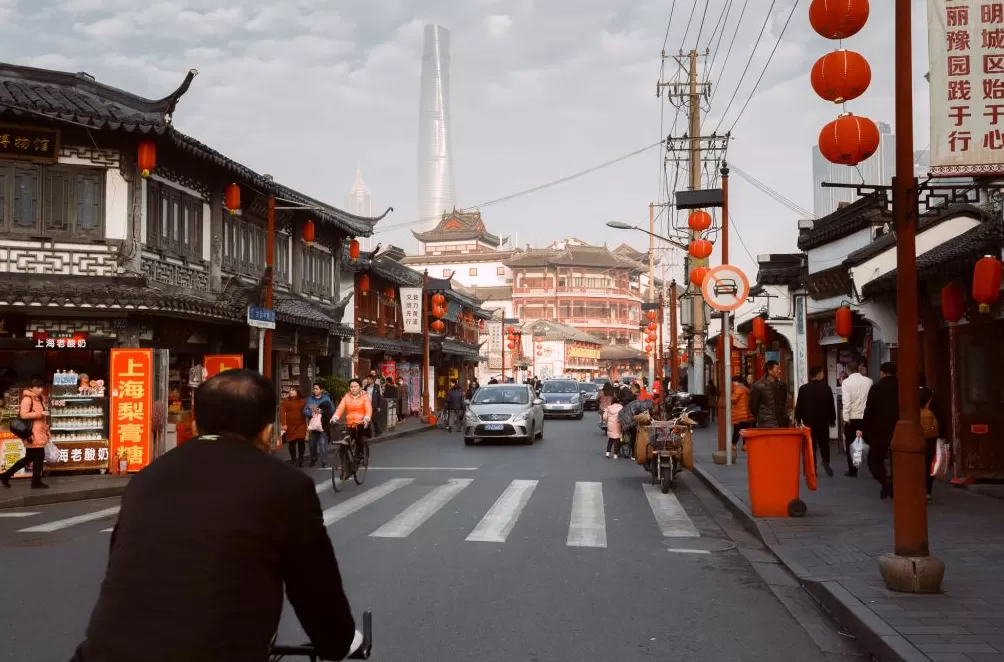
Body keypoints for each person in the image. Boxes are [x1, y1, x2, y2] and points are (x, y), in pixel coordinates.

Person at [70, 369, 357, 662]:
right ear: (266, 431)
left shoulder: (147, 478)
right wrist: (337, 643)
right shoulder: (285, 485)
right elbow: (316, 590)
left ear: (194, 426)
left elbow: (121, 560)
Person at [0, 377, 50, 489]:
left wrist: (47, 430)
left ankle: (6, 475)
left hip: (39, 432)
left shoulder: (40, 399)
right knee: (38, 457)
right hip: (32, 433)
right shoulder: (28, 399)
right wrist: (40, 413)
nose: (40, 389)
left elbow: (43, 419)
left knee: (29, 458)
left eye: (41, 387)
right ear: (31, 388)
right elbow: (23, 415)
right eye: (37, 387)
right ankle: (36, 482)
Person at [863, 362, 899, 500]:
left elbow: (869, 410)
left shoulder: (877, 387)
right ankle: (894, 483)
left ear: (883, 372)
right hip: (898, 427)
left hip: (879, 430)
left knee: (874, 460)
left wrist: (865, 429)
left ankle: (885, 481)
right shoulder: (902, 387)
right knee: (896, 460)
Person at [794, 366, 837, 477]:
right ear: (818, 374)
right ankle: (825, 460)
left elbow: (799, 406)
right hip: (823, 421)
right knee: (824, 443)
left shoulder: (803, 389)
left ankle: (813, 467)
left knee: (811, 445)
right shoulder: (826, 388)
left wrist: (798, 419)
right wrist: (832, 419)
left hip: (809, 421)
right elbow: (831, 406)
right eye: (822, 372)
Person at [840, 359, 872, 478]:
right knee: (868, 441)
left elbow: (846, 402)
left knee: (851, 443)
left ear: (848, 370)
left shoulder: (846, 383)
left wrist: (846, 418)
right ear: (858, 368)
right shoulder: (869, 381)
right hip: (866, 417)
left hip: (853, 418)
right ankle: (871, 465)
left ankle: (853, 468)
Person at [919, 373, 948, 502]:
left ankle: (916, 488)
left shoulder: (907, 395)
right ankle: (928, 491)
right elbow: (941, 417)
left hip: (915, 433)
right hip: (931, 435)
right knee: (929, 463)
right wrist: (942, 435)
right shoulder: (933, 395)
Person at [331, 378, 373, 462]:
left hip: (361, 423)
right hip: (350, 423)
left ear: (360, 387)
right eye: (351, 386)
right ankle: (345, 464)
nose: (353, 388)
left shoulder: (365, 397)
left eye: (355, 386)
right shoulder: (346, 397)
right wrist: (334, 417)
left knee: (359, 438)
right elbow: (340, 408)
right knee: (344, 441)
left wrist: (366, 419)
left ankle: (360, 454)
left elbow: (369, 409)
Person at [303, 383, 335, 468]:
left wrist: (322, 411)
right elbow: (305, 411)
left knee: (323, 444)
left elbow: (331, 410)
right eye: (314, 389)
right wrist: (312, 413)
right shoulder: (310, 399)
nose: (315, 390)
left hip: (323, 425)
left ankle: (324, 461)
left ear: (321, 390)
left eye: (317, 389)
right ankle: (313, 459)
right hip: (313, 425)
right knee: (312, 444)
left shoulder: (326, 399)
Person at [749, 360, 788, 428]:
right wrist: (762, 417)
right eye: (777, 369)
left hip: (780, 423)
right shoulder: (758, 386)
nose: (779, 371)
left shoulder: (782, 386)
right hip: (765, 424)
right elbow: (753, 407)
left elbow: (783, 403)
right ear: (769, 371)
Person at [280, 386, 307, 467]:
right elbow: (282, 413)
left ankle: (301, 459)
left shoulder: (303, 401)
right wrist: (283, 423)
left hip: (301, 425)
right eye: (290, 390)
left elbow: (310, 409)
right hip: (290, 426)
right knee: (291, 444)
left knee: (301, 442)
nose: (291, 392)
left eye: (293, 390)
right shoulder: (285, 401)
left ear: (298, 392)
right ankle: (293, 460)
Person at [730, 375, 755, 454]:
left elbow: (733, 399)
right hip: (745, 413)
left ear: (737, 381)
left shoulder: (738, 389)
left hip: (739, 414)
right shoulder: (745, 389)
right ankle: (745, 445)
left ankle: (733, 445)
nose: (733, 383)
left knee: (736, 430)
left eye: (734, 382)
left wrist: (730, 394)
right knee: (745, 430)